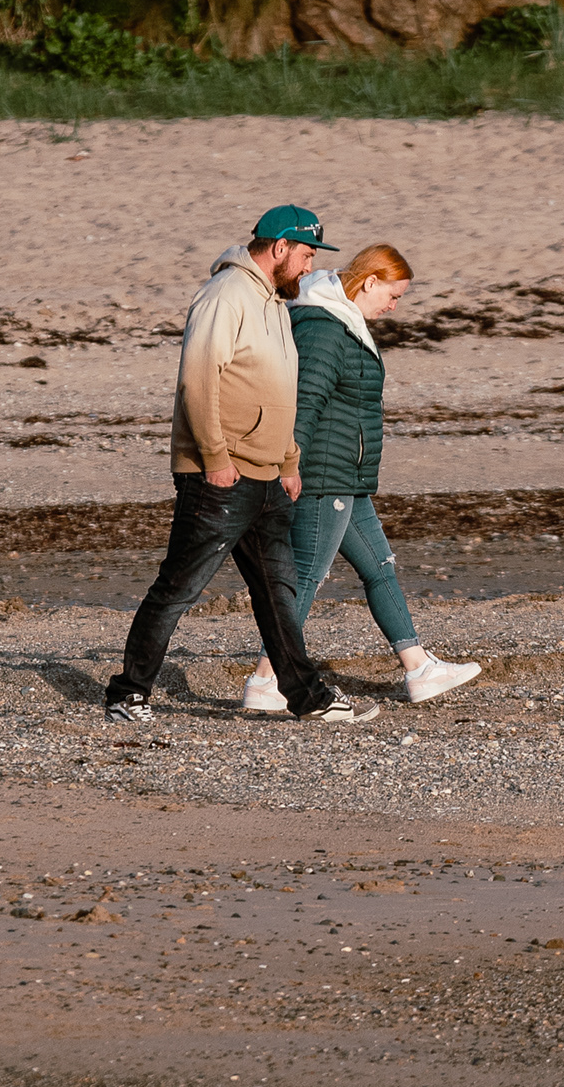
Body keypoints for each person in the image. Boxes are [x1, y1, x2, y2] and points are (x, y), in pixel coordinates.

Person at [105, 205, 381, 727]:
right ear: (279, 247)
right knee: (180, 587)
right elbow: (197, 380)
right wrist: (215, 458)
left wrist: (289, 461)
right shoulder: (225, 295)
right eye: (306, 255)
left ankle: (307, 698)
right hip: (221, 476)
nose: (310, 266)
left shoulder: (275, 301)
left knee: (278, 593)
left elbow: (281, 390)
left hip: (268, 476)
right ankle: (128, 693)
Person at [242, 241, 482, 712]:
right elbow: (305, 401)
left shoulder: (344, 322)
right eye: (393, 295)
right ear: (370, 282)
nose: (394, 307)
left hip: (345, 476)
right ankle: (267, 680)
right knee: (306, 577)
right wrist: (290, 466)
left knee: (379, 566)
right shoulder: (323, 327)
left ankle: (419, 669)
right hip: (321, 476)